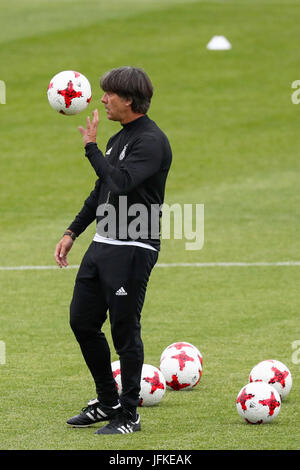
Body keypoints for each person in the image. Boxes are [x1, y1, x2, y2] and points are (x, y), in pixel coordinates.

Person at [54, 66, 172, 435]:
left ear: (130, 100)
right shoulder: (119, 139)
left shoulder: (151, 141)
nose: (102, 99)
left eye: (109, 94)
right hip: (104, 243)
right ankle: (107, 401)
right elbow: (101, 192)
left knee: (124, 331)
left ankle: (130, 414)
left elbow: (119, 183)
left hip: (134, 247)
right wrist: (73, 230)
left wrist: (90, 148)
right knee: (82, 321)